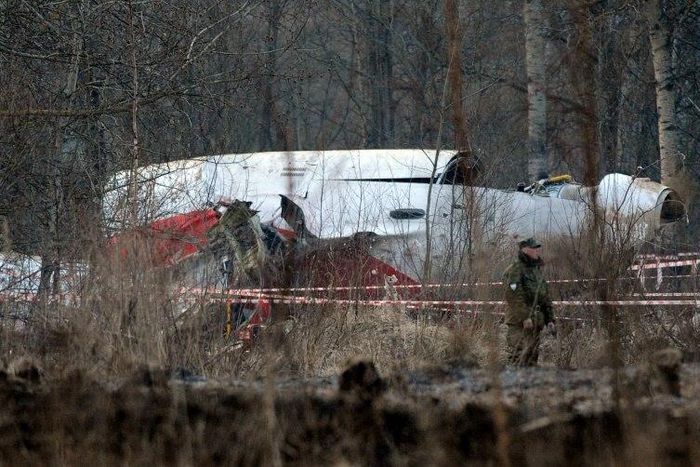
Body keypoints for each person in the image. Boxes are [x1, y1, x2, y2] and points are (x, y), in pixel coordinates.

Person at [502, 237, 555, 366]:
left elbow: (544, 295)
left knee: (532, 357)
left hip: (536, 321)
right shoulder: (515, 269)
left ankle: (529, 384)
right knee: (519, 356)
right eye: (534, 248)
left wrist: (550, 318)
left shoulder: (535, 271)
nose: (537, 250)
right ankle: (513, 384)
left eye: (538, 248)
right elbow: (513, 296)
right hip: (519, 322)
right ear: (525, 250)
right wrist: (525, 317)